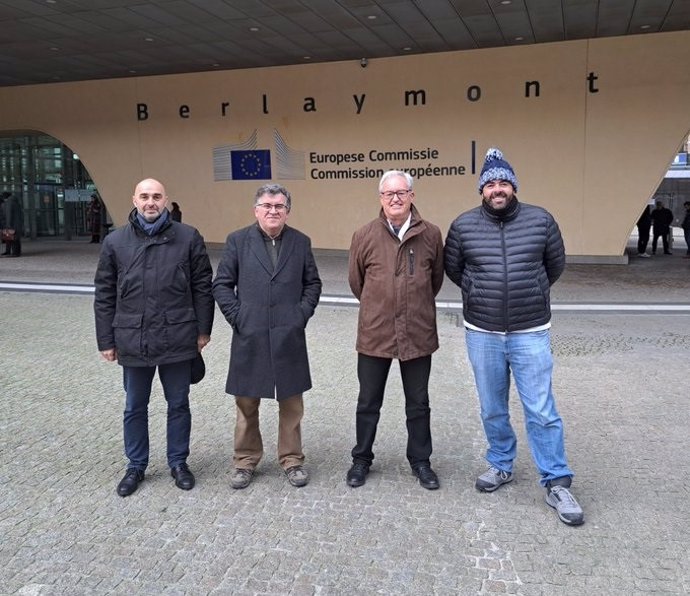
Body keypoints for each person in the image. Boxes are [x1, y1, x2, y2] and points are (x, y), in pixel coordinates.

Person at [444, 148, 584, 526]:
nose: (497, 189)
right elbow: (455, 269)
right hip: (483, 332)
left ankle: (556, 480)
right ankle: (501, 464)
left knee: (541, 409)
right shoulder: (462, 226)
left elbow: (555, 265)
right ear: (482, 190)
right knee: (492, 406)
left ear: (514, 186)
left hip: (530, 330)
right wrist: (478, 292)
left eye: (503, 182)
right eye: (490, 183)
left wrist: (531, 293)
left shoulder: (541, 220)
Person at [94, 178, 214, 497]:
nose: (151, 202)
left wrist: (203, 330)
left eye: (157, 196)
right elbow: (104, 293)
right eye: (145, 196)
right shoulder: (115, 242)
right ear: (134, 200)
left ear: (166, 201)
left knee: (178, 404)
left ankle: (178, 462)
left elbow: (203, 285)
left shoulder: (188, 237)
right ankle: (136, 465)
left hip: (178, 336)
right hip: (132, 338)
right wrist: (105, 340)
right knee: (135, 406)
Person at [213, 183, 322, 489]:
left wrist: (300, 315)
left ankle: (292, 459)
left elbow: (313, 283)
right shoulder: (238, 241)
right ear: (256, 210)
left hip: (289, 335)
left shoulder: (301, 242)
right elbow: (221, 284)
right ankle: (245, 461)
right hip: (250, 333)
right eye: (267, 206)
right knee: (246, 403)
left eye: (279, 206)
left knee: (292, 405)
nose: (273, 211)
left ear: (287, 211)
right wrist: (238, 316)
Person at [346, 170, 444, 491]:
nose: (396, 198)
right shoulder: (364, 236)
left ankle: (420, 461)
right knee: (368, 402)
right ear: (381, 198)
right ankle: (361, 459)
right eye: (389, 194)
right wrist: (381, 307)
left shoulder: (430, 235)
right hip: (376, 334)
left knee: (418, 403)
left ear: (412, 196)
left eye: (402, 192)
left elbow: (435, 281)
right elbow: (357, 283)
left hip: (417, 333)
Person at [2, 191, 23, 257]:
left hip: (12, 224)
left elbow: (9, 214)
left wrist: (8, 225)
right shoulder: (16, 202)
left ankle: (14, 253)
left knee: (12, 238)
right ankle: (16, 252)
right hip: (17, 223)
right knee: (15, 238)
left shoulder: (9, 203)